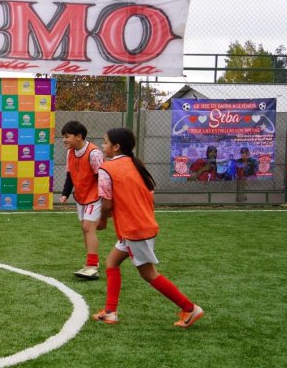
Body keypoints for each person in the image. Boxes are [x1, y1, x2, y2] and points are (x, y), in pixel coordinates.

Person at [93, 128, 204, 328]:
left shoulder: (107, 169)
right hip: (141, 225)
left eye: (105, 142)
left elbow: (107, 204)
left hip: (135, 229)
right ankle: (110, 311)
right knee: (111, 262)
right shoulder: (137, 164)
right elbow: (149, 193)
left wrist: (102, 220)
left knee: (149, 274)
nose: (103, 145)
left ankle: (190, 309)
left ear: (116, 147)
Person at [58, 120, 104, 280]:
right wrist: (65, 193)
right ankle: (91, 262)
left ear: (79, 136)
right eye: (63, 136)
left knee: (87, 226)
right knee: (84, 229)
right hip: (81, 196)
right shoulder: (70, 152)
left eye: (67, 136)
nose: (64, 139)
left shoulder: (94, 153)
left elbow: (102, 177)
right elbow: (70, 175)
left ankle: (92, 266)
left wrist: (107, 201)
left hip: (95, 196)